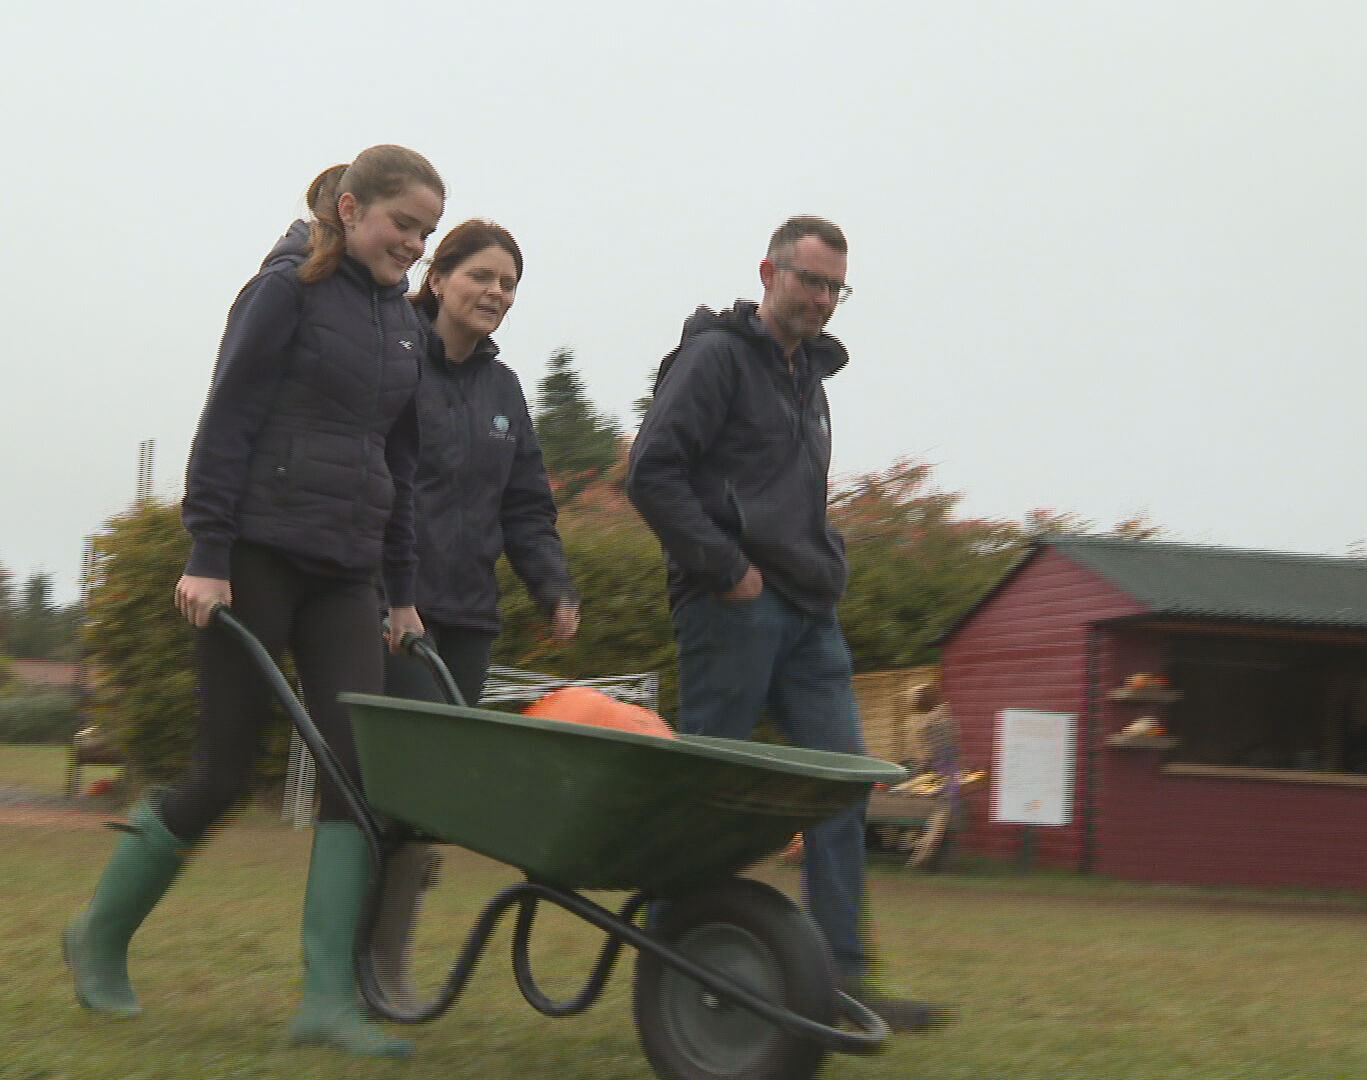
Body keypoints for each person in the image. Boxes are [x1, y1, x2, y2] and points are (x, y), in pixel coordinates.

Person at [62, 144, 444, 1060]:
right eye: (404, 226)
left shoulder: (404, 328)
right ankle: (100, 933)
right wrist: (207, 551)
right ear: (351, 209)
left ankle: (323, 998)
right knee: (225, 773)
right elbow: (227, 419)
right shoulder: (284, 291)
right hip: (259, 557)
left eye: (428, 233)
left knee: (356, 777)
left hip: (348, 575)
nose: (416, 247)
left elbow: (400, 464)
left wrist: (400, 593)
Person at [627, 215, 951, 1032]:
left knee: (840, 789)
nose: (822, 299)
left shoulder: (809, 377)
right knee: (713, 800)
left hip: (810, 613)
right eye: (809, 280)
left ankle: (843, 979)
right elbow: (651, 475)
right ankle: (675, 973)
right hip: (730, 605)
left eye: (835, 287)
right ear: (767, 271)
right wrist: (726, 570)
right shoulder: (713, 360)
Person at [370, 219, 580, 1006]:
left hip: (470, 619)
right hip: (394, 608)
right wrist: (392, 595)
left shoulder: (504, 390)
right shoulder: (393, 361)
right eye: (481, 276)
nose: (496, 293)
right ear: (438, 277)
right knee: (410, 787)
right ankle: (371, 969)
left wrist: (553, 586)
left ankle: (381, 961)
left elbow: (527, 503)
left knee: (434, 803)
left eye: (509, 283)